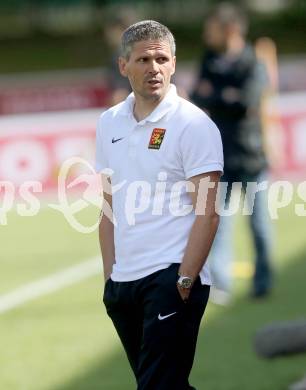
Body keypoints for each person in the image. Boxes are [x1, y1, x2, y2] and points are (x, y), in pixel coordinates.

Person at [96, 20, 223, 390]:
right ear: (124, 66)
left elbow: (208, 211)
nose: (153, 68)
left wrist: (184, 279)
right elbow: (108, 206)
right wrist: (110, 280)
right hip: (124, 285)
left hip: (171, 279)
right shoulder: (109, 123)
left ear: (173, 63)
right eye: (143, 60)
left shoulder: (193, 124)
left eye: (161, 58)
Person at [191, 3, 273, 302]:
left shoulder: (253, 61)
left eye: (211, 28)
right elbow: (198, 94)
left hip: (251, 157)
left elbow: (247, 101)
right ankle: (220, 284)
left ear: (230, 29)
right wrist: (224, 96)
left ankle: (263, 282)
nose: (206, 34)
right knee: (216, 223)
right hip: (217, 157)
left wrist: (218, 96)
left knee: (259, 224)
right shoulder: (210, 59)